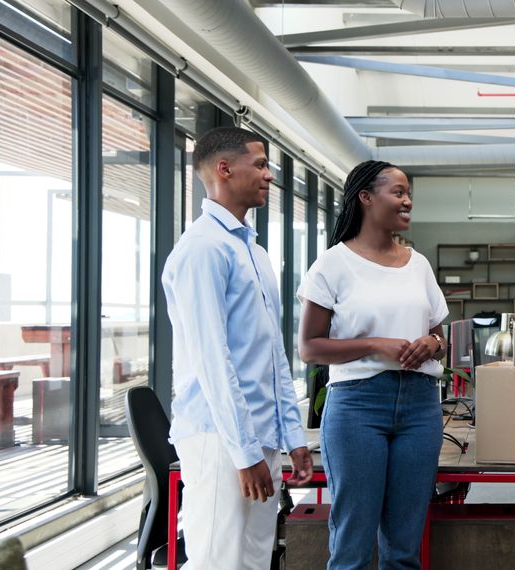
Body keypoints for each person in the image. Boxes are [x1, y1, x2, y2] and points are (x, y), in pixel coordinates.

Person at [161, 127, 313, 569]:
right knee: (216, 562)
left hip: (259, 435)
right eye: (261, 165)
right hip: (218, 439)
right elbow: (212, 360)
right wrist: (244, 454)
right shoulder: (203, 250)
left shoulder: (254, 252)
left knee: (253, 560)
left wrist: (293, 437)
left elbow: (273, 355)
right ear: (224, 169)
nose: (269, 176)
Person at [298, 160, 448, 570]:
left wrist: (431, 343)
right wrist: (373, 346)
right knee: (353, 544)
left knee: (404, 547)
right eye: (398, 192)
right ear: (365, 197)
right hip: (358, 407)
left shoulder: (418, 264)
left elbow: (441, 338)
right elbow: (309, 348)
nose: (407, 201)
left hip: (420, 406)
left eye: (407, 193)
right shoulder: (331, 264)